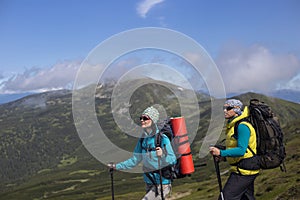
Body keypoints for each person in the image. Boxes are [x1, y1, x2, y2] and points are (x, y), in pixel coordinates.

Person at [108, 106, 177, 200]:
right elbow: (135, 160)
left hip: (162, 182)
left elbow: (172, 159)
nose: (142, 120)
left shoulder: (162, 138)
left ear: (153, 120)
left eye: (145, 118)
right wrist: (116, 167)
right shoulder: (143, 139)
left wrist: (162, 155)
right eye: (141, 118)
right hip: (149, 181)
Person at [209, 99, 260, 200]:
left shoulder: (242, 126)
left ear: (237, 109)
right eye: (224, 108)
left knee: (226, 197)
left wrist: (221, 152)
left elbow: (241, 150)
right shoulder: (233, 125)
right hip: (244, 168)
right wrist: (222, 156)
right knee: (246, 198)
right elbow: (235, 147)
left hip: (245, 170)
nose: (225, 110)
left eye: (228, 108)